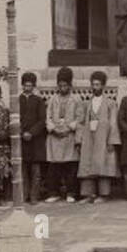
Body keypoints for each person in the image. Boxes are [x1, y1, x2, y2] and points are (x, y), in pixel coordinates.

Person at [76, 70, 120, 203]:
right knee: (87, 164)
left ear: (103, 86)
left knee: (103, 164)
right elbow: (81, 122)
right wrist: (79, 139)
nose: (95, 87)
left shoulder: (110, 104)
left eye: (98, 84)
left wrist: (112, 141)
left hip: (103, 137)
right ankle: (88, 194)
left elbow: (113, 122)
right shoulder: (86, 103)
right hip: (89, 137)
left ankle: (104, 194)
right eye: (93, 84)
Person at [44, 67, 81, 203]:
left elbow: (80, 117)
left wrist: (69, 128)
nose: (62, 88)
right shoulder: (53, 99)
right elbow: (47, 116)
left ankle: (71, 193)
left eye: (65, 85)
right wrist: (53, 129)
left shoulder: (76, 99)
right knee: (54, 167)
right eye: (60, 85)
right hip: (55, 137)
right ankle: (54, 192)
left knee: (70, 166)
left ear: (70, 86)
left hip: (69, 136)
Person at [18, 71, 46, 204]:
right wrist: (22, 132)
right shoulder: (18, 100)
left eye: (30, 85)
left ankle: (34, 196)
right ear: (22, 85)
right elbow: (14, 118)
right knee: (23, 170)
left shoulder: (39, 101)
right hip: (22, 140)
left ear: (34, 86)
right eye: (25, 85)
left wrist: (32, 133)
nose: (27, 88)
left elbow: (42, 120)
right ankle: (24, 195)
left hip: (35, 141)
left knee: (36, 171)